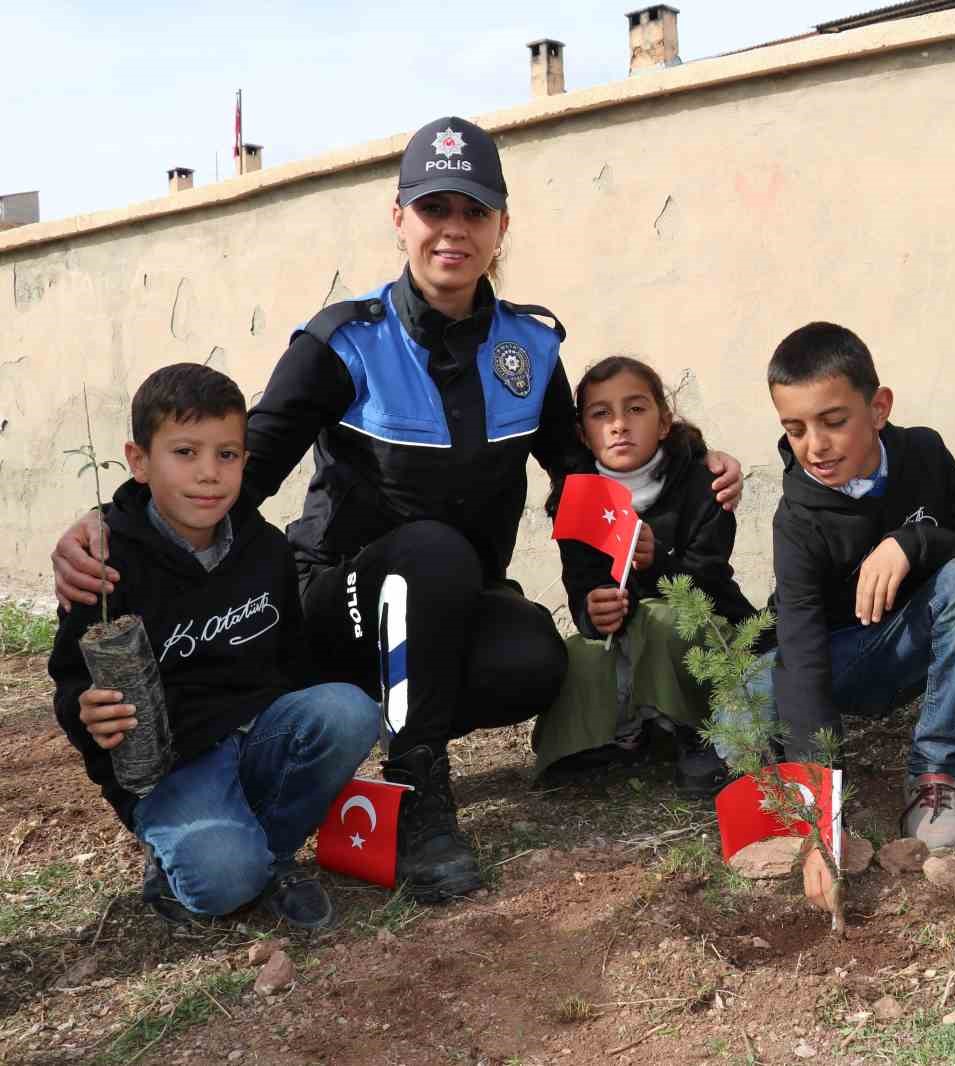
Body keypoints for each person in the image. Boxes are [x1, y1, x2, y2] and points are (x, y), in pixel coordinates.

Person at [51, 116, 744, 904]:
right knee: (433, 550)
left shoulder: (532, 351)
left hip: (447, 603)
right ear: (399, 218)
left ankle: (383, 740)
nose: (453, 230)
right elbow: (243, 466)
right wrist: (112, 521)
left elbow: (577, 477)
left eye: (473, 212)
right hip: (332, 604)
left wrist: (684, 476)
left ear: (501, 227)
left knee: (531, 661)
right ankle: (419, 793)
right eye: (434, 209)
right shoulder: (342, 343)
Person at [49, 363, 380, 930]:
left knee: (348, 711)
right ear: (138, 461)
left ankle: (268, 853)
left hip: (254, 742)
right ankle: (197, 858)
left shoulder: (266, 552)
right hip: (173, 766)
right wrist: (85, 713)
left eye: (226, 455)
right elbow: (73, 677)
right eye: (185, 452)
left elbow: (292, 667)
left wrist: (304, 751)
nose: (208, 474)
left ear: (245, 462)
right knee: (222, 880)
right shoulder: (104, 565)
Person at [768, 321, 955, 852]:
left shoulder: (923, 454)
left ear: (879, 407)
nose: (816, 446)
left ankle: (935, 776)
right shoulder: (797, 521)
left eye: (833, 421)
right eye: (796, 429)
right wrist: (823, 815)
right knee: (741, 705)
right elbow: (803, 656)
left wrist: (915, 542)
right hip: (833, 660)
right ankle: (792, 801)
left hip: (904, 647)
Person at [534, 355, 768, 795]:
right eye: (601, 414)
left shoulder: (705, 483)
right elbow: (580, 585)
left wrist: (657, 562)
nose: (619, 425)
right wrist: (593, 610)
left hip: (704, 630)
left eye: (636, 409)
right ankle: (620, 739)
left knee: (663, 622)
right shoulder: (579, 497)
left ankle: (695, 734)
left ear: (663, 422)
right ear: (584, 434)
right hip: (627, 639)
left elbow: (710, 583)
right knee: (581, 652)